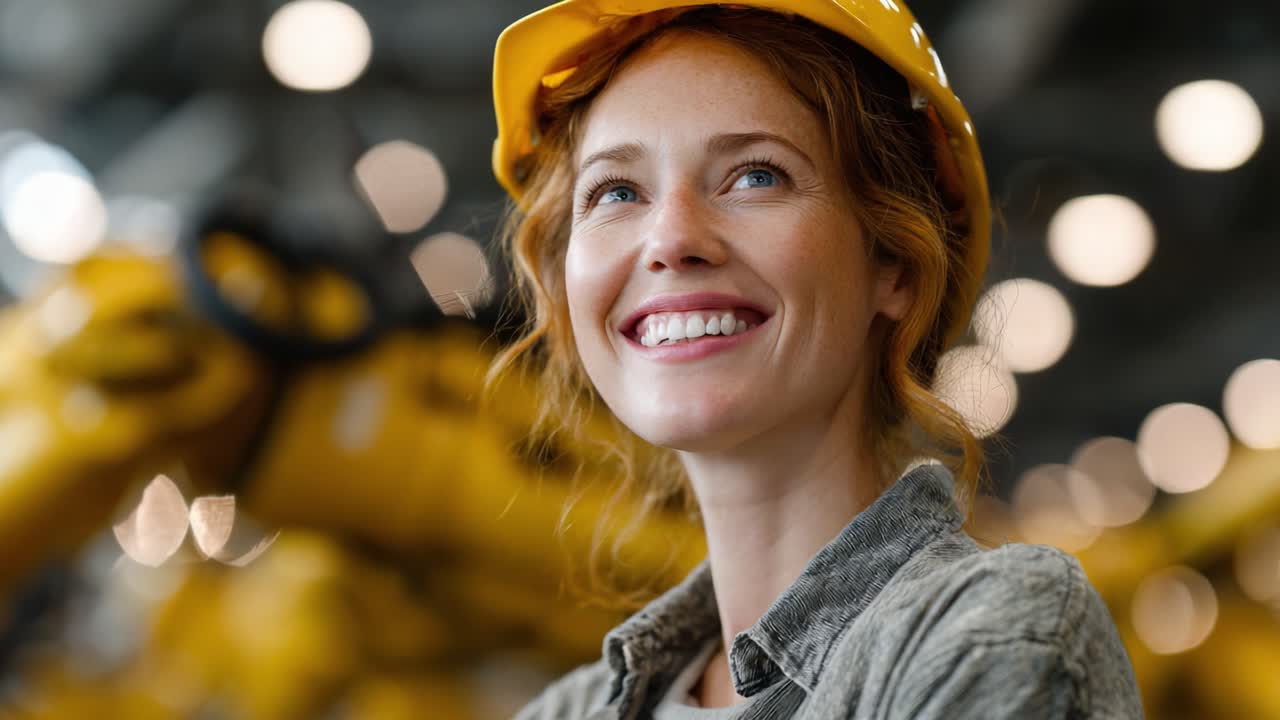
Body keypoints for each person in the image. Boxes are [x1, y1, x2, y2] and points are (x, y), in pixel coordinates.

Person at [487, 1, 1143, 718]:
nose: (670, 237)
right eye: (616, 191)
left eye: (755, 176)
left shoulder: (984, 634)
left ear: (895, 263)